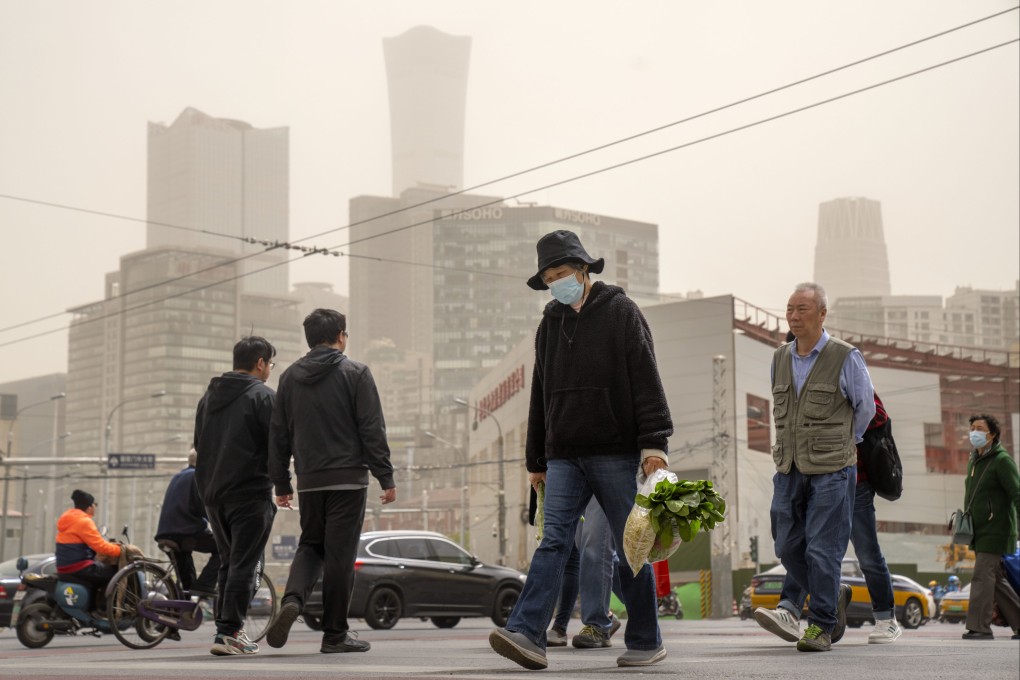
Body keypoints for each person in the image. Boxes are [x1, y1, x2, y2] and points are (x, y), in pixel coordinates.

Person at [488, 230, 673, 670]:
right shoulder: (549, 323)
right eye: (549, 277)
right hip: (563, 454)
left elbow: (646, 377)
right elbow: (540, 394)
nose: (556, 283)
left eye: (562, 273)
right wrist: (536, 460)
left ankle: (646, 639)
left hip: (614, 450)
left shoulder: (622, 312)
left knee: (633, 547)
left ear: (583, 269)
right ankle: (528, 633)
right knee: (553, 542)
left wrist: (655, 443)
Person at [266, 308, 397, 655]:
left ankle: (292, 599)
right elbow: (371, 428)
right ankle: (335, 634)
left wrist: (281, 483)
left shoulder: (290, 378)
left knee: (310, 545)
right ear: (340, 335)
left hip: (309, 480)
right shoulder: (356, 372)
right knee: (339, 555)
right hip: (348, 480)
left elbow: (278, 435)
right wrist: (385, 476)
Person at [753, 282, 875, 652]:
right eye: (790, 309)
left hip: (832, 470)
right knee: (786, 545)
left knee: (822, 550)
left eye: (803, 309)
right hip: (788, 468)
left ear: (823, 314)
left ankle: (821, 625)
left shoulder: (845, 356)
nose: (794, 316)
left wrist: (839, 445)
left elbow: (865, 408)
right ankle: (832, 592)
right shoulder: (780, 357)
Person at [772, 329, 903, 646]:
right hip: (806, 475)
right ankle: (799, 605)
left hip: (852, 479)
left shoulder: (842, 362)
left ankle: (885, 617)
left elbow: (874, 412)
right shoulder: (785, 366)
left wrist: (847, 439)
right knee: (804, 547)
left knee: (866, 552)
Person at [193, 335, 278, 656]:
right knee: (244, 562)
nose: (270, 369)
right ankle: (229, 633)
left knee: (230, 562)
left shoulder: (208, 398)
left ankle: (224, 631)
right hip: (249, 492)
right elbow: (277, 447)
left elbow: (199, 446)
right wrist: (281, 485)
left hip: (213, 495)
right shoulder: (263, 397)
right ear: (260, 363)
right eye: (269, 363)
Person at [960, 413, 1020, 641]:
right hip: (980, 530)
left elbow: (1017, 493)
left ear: (992, 434)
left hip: (997, 530)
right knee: (996, 579)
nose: (973, 432)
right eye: (972, 427)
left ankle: (979, 627)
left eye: (979, 428)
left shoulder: (1002, 461)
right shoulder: (975, 459)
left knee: (982, 577)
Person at [547, 497, 623, 649]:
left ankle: (598, 623)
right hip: (578, 477)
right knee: (587, 548)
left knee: (595, 546)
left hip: (608, 476)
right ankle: (642, 602)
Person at [155, 450, 220, 598]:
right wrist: (221, 525)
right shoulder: (198, 476)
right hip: (186, 532)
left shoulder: (178, 476)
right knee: (225, 548)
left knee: (187, 585)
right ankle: (205, 585)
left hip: (166, 533)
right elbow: (206, 507)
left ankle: (182, 614)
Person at [55, 489, 121, 591]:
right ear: (89, 507)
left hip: (64, 567)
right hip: (79, 567)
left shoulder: (69, 519)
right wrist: (119, 550)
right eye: (95, 505)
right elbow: (101, 546)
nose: (95, 507)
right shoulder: (84, 522)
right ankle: (105, 606)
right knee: (116, 574)